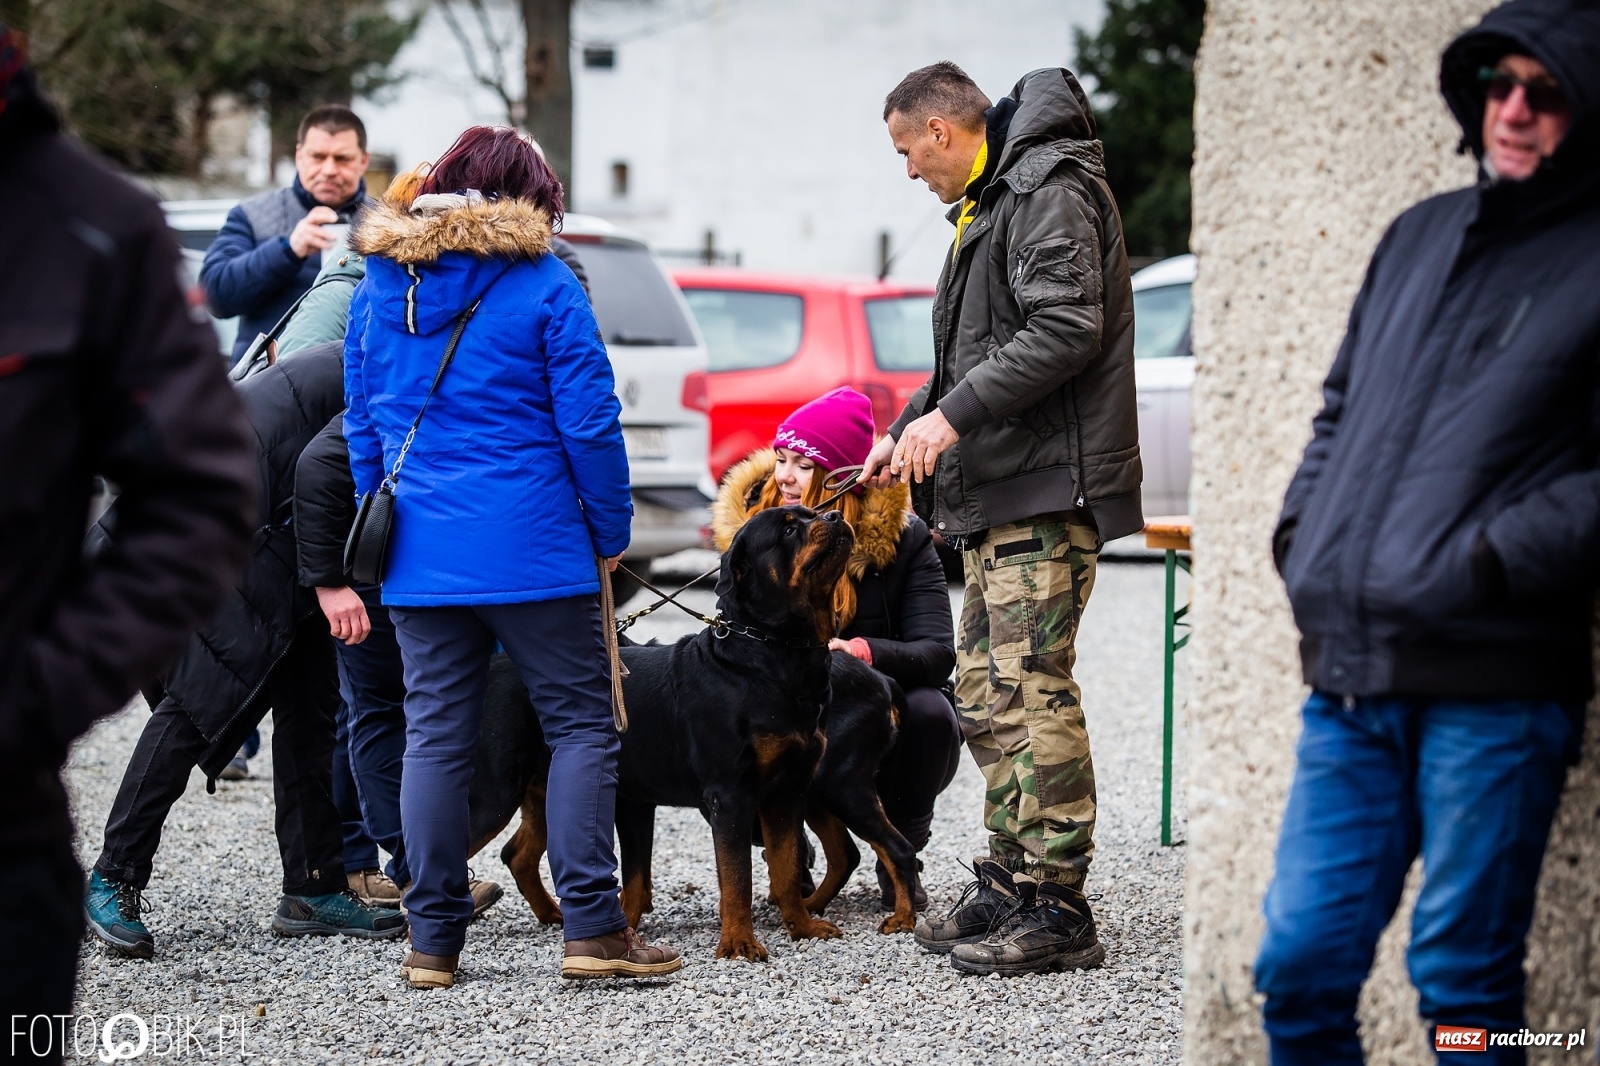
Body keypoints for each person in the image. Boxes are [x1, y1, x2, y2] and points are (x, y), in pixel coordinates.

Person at [1254, 1, 1600, 1061]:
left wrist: (1490, 561)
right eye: (1499, 83)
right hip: (1350, 684)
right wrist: (1301, 537)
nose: (1513, 109)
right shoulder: (1415, 235)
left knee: (1465, 985)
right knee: (1299, 966)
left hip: (1494, 688)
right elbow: (1338, 409)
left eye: (1544, 92)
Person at [344, 125, 680, 989]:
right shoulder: (545, 284)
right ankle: (595, 930)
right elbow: (592, 425)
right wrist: (609, 534)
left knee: (435, 738)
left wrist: (382, 510)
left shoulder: (380, 285)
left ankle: (432, 944)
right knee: (580, 726)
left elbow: (364, 422)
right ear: (529, 199)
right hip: (537, 550)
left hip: (418, 552)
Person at [0, 28, 256, 1057]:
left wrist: (41, 689)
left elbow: (201, 487)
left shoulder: (94, 227)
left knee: (220, 696)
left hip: (3, 819)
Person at [864, 62, 1141, 976]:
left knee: (1032, 686)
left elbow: (1067, 329)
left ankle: (1060, 906)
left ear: (942, 131)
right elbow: (969, 362)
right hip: (998, 494)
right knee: (985, 691)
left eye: (907, 151)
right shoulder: (991, 204)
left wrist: (952, 417)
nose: (907, 171)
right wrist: (904, 428)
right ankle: (1014, 875)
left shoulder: (1045, 189)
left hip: (1047, 490)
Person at [83, 341, 405, 959]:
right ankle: (113, 875)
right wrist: (330, 584)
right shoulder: (409, 339)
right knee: (200, 704)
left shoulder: (406, 319)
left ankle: (312, 887)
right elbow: (321, 469)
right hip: (232, 520)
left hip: (282, 526)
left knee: (311, 711)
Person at [712, 387, 960, 909]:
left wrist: (862, 650)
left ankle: (901, 855)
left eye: (803, 464)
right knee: (727, 714)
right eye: (781, 459)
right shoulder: (754, 537)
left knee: (932, 711)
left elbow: (937, 651)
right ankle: (785, 851)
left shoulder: (904, 540)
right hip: (783, 698)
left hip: (862, 698)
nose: (784, 475)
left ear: (842, 477)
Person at [202, 105, 371, 367]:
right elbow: (214, 295)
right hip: (266, 384)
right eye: (318, 156)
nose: (329, 169)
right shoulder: (252, 215)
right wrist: (288, 250)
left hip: (356, 390)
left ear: (363, 161)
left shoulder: (387, 224)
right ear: (299, 156)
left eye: (342, 158)